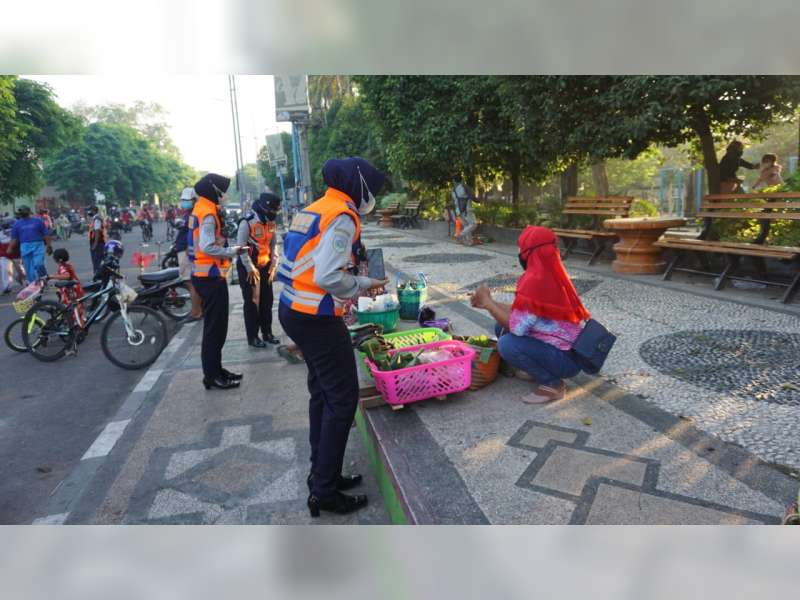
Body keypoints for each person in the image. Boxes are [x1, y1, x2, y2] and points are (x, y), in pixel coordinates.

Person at [277, 156, 389, 518]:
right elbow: (327, 275)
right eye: (370, 187)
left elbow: (306, 266)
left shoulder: (313, 209)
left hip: (294, 309)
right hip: (316, 318)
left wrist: (351, 287)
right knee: (342, 400)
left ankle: (321, 474)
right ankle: (324, 491)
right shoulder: (342, 216)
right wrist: (363, 284)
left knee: (323, 394)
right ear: (357, 185)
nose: (370, 196)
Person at [470, 226, 590, 404]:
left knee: (508, 344)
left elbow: (516, 328)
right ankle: (537, 368)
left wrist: (488, 303)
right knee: (499, 327)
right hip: (570, 353)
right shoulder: (551, 273)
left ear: (529, 252)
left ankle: (552, 384)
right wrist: (489, 303)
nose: (519, 253)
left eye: (521, 248)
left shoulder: (535, 281)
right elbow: (522, 312)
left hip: (565, 360)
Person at [188, 173, 247, 391]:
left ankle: (216, 370)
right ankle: (212, 376)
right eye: (223, 191)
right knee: (215, 329)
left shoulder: (202, 207)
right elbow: (206, 246)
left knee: (216, 328)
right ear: (214, 190)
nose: (225, 196)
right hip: (209, 277)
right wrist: (232, 250)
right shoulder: (208, 213)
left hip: (207, 276)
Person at [237, 192, 282, 348]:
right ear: (264, 208)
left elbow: (273, 244)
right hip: (249, 267)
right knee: (253, 302)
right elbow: (241, 249)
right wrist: (250, 268)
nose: (274, 213)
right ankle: (253, 336)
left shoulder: (270, 223)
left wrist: (274, 262)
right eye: (272, 210)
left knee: (267, 300)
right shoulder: (247, 222)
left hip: (265, 266)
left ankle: (267, 333)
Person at [8, 205, 52, 284]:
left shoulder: (38, 221)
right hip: (24, 247)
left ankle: (44, 277)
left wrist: (49, 246)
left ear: (29, 212)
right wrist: (10, 248)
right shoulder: (17, 224)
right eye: (21, 212)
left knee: (39, 264)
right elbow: (14, 238)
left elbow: (46, 234)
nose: (22, 213)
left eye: (24, 211)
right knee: (29, 269)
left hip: (38, 245)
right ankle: (34, 285)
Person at [177, 187, 202, 319]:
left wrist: (188, 247)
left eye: (187, 200)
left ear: (194, 200)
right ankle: (198, 310)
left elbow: (192, 233)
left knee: (190, 283)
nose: (184, 202)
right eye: (183, 200)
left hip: (186, 252)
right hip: (184, 249)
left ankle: (196, 312)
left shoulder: (193, 214)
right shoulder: (188, 214)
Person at [49, 248, 86, 327]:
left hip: (71, 291)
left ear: (57, 259)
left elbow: (66, 276)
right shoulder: (68, 265)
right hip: (77, 289)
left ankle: (77, 325)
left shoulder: (62, 267)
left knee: (72, 309)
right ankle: (80, 323)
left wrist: (52, 276)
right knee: (77, 309)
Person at [452, 179, 478, 245]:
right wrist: (479, 200)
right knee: (473, 224)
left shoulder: (453, 190)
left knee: (466, 225)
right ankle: (459, 235)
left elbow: (455, 201)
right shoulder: (464, 187)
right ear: (462, 180)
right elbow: (473, 196)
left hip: (458, 210)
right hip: (467, 209)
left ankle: (469, 241)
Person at [87, 205, 106, 275]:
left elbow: (97, 231)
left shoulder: (97, 219)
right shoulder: (95, 218)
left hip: (98, 243)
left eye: (90, 210)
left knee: (96, 261)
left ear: (93, 211)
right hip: (99, 242)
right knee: (99, 260)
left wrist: (95, 243)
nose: (89, 212)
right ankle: (99, 274)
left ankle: (97, 275)